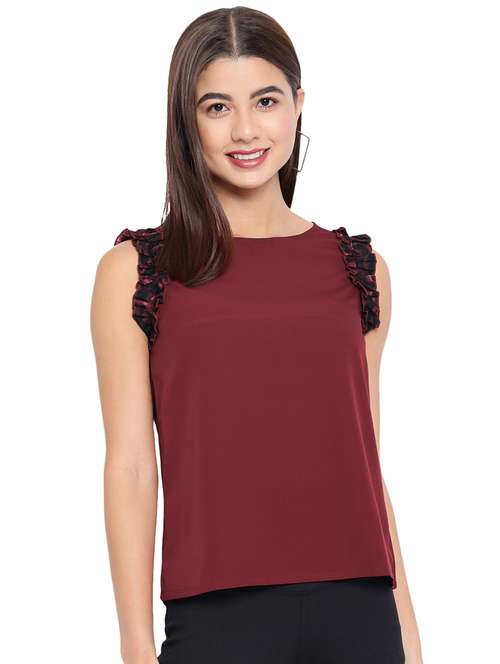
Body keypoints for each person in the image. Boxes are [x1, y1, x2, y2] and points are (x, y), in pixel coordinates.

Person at [91, 6, 423, 664]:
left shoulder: (360, 271)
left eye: (265, 101)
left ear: (298, 104)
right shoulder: (138, 271)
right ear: (186, 122)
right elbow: (130, 467)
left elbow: (366, 463)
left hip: (360, 612)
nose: (245, 129)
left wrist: (408, 634)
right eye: (217, 107)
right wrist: (134, 645)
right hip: (216, 620)